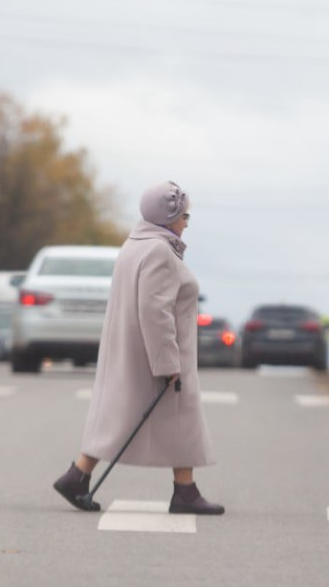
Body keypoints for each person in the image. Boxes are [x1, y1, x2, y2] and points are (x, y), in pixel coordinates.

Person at [53, 180, 224, 516]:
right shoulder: (159, 251)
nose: (187, 222)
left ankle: (79, 475)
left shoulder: (135, 244)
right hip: (157, 354)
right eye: (184, 214)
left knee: (123, 415)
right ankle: (184, 492)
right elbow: (155, 310)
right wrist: (167, 362)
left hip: (133, 351)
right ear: (168, 215)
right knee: (175, 417)